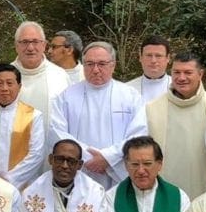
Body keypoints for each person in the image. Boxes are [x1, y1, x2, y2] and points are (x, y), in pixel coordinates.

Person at [51, 41, 148, 189]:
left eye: (102, 64)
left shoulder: (130, 96)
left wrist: (108, 158)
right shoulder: (66, 97)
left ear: (113, 65)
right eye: (89, 64)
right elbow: (57, 132)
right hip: (80, 170)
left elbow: (138, 134)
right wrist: (88, 159)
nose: (95, 70)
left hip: (118, 174)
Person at [146, 52, 206, 200]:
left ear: (200, 74)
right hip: (166, 188)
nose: (181, 78)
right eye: (176, 72)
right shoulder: (152, 108)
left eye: (188, 72)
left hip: (204, 186)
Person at [0, 21, 70, 135]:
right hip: (8, 149)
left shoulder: (60, 77)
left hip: (49, 150)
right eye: (24, 42)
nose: (30, 48)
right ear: (16, 46)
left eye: (35, 42)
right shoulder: (1, 77)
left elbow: (70, 118)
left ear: (44, 45)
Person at [0, 64, 44, 190]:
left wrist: (10, 179)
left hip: (21, 185)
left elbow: (37, 154)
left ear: (19, 86)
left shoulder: (33, 116)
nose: (4, 88)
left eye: (9, 83)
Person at [125, 36, 172, 102]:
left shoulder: (179, 88)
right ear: (140, 57)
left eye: (158, 56)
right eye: (149, 55)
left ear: (168, 58)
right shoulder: (127, 89)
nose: (153, 61)